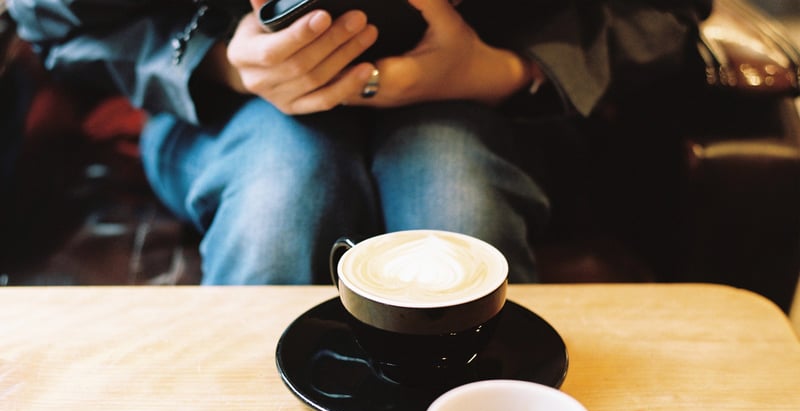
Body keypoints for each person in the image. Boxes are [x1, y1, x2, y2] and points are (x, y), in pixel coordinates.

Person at [7, 0, 711, 285]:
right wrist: (225, 61)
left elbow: (668, 11)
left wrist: (499, 72)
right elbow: (56, 20)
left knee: (455, 200)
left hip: (490, 98)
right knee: (281, 200)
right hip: (231, 106)